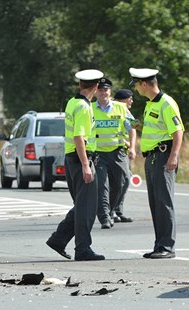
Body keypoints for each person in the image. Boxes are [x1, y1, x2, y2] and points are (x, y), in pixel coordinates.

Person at [46, 69, 105, 261]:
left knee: (81, 205)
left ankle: (58, 239)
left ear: (80, 85)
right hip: (81, 159)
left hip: (72, 158)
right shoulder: (83, 107)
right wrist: (86, 165)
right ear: (96, 87)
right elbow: (79, 136)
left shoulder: (73, 102)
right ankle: (83, 248)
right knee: (87, 208)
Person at [130, 67, 184, 259]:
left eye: (136, 84)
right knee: (155, 203)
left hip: (163, 156)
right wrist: (140, 126)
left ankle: (167, 246)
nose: (135, 89)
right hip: (152, 157)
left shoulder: (166, 103)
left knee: (164, 202)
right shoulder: (150, 104)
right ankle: (159, 244)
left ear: (144, 84)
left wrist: (174, 156)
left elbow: (178, 131)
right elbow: (156, 128)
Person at [92, 78, 136, 229]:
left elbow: (132, 129)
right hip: (98, 154)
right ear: (96, 91)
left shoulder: (121, 108)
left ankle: (110, 211)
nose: (103, 92)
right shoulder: (90, 108)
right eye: (100, 90)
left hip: (117, 153)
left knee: (121, 182)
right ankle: (104, 217)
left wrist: (133, 148)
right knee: (102, 186)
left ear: (110, 92)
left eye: (106, 90)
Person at [111, 88, 136, 223]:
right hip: (111, 151)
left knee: (125, 180)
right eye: (129, 98)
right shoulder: (113, 109)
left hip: (123, 151)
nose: (132, 100)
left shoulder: (126, 111)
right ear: (121, 100)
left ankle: (118, 211)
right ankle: (111, 210)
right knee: (118, 181)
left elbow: (134, 127)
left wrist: (132, 146)